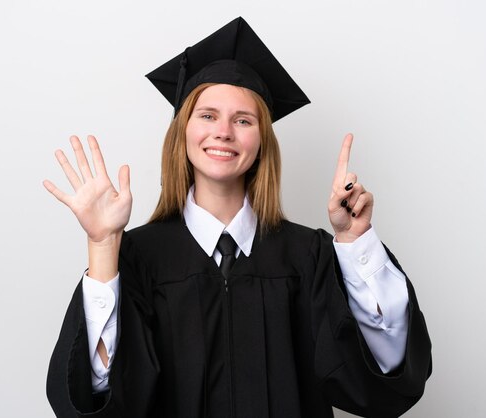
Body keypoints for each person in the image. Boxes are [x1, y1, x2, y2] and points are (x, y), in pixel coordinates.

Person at [44, 17, 431, 418]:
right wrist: (104, 246)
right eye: (207, 115)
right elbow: (99, 398)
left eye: (243, 120)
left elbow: (384, 374)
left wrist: (355, 244)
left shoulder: (306, 255)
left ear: (262, 140)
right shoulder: (139, 258)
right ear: (183, 132)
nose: (224, 131)